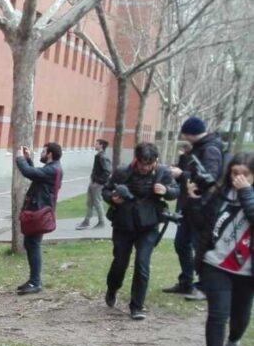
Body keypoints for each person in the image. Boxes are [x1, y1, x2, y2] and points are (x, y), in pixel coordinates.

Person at [184, 153, 254, 346]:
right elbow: (202, 224)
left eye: (245, 174)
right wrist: (193, 201)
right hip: (216, 263)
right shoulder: (220, 194)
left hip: (247, 271)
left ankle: (233, 340)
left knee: (240, 314)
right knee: (218, 313)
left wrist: (245, 193)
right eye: (235, 173)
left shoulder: (247, 194)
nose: (239, 178)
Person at [102, 142, 178, 319]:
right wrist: (113, 199)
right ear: (136, 159)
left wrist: (166, 190)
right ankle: (112, 288)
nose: (145, 167)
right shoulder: (122, 172)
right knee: (120, 262)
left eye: (149, 163)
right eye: (142, 163)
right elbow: (106, 190)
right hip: (124, 224)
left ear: (155, 161)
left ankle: (137, 306)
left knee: (142, 264)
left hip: (149, 225)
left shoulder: (162, 173)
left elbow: (176, 191)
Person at [164, 117, 225, 301]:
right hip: (189, 205)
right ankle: (187, 282)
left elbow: (209, 178)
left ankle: (204, 287)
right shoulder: (200, 148)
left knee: (201, 248)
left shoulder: (210, 149)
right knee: (181, 243)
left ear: (189, 133)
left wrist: (182, 174)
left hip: (203, 207)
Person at [14, 143, 63, 295]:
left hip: (39, 213)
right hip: (41, 212)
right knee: (31, 244)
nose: (41, 153)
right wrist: (28, 160)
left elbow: (29, 173)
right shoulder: (53, 168)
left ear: (49, 154)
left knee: (33, 244)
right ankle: (33, 280)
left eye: (43, 151)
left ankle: (35, 282)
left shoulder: (52, 169)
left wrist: (20, 158)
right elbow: (36, 174)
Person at [76, 139, 112, 230]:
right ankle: (86, 221)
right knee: (90, 202)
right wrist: (92, 179)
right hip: (93, 183)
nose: (95, 145)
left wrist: (98, 182)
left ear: (101, 145)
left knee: (97, 202)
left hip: (98, 185)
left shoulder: (102, 157)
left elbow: (107, 172)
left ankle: (101, 222)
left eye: (96, 144)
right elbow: (95, 170)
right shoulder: (98, 156)